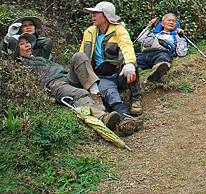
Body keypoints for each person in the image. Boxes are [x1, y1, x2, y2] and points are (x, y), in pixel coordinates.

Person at [13, 33, 141, 135]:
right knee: (80, 93)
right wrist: (12, 38)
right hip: (55, 84)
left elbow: (47, 42)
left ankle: (95, 93)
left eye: (28, 42)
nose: (28, 45)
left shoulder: (38, 56)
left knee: (79, 56)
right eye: (22, 44)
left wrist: (27, 37)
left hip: (66, 77)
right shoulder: (19, 65)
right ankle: (103, 117)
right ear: (14, 49)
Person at [71, 1, 144, 117]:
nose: (93, 16)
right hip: (100, 76)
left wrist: (129, 63)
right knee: (110, 91)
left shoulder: (119, 30)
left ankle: (136, 98)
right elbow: (82, 55)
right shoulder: (89, 32)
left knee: (132, 66)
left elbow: (127, 47)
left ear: (106, 15)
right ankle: (122, 114)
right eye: (93, 13)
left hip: (118, 73)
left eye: (96, 13)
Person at [135, 13, 188, 82]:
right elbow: (140, 39)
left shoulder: (177, 36)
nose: (171, 22)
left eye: (174, 21)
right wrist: (149, 26)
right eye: (169, 20)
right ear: (162, 23)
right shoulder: (155, 33)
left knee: (163, 58)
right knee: (132, 59)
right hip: (146, 54)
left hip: (161, 53)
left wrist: (181, 37)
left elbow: (182, 53)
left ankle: (158, 71)